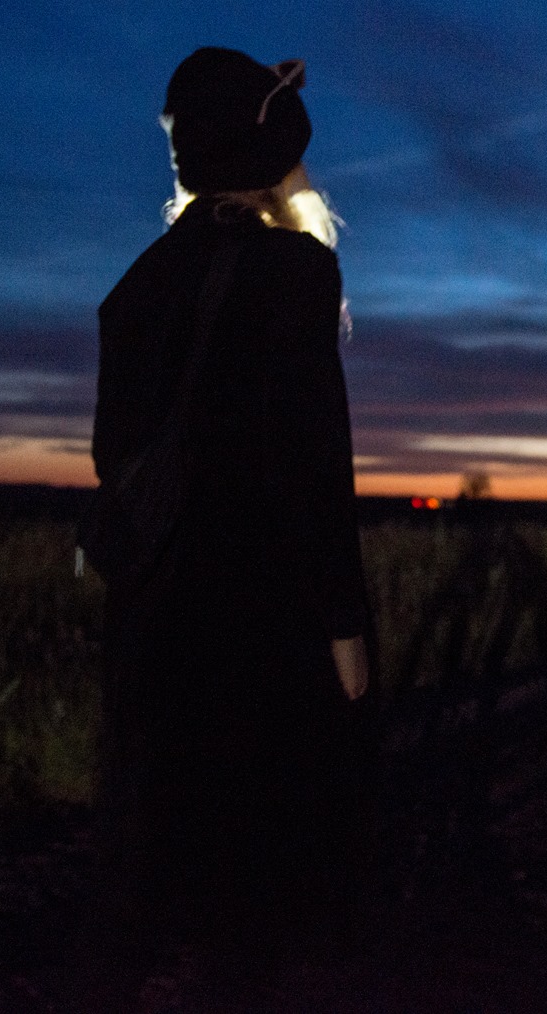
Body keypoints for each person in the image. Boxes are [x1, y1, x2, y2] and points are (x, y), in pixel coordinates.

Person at [91, 46, 374, 954]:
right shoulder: (296, 272)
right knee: (267, 889)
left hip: (152, 612)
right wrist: (344, 624)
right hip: (261, 611)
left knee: (169, 865)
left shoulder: (138, 282)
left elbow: (114, 457)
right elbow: (315, 461)